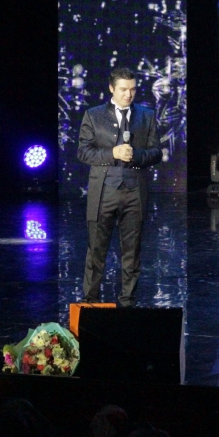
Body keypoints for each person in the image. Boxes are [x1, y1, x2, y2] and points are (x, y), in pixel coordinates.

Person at [78, 67, 163, 307]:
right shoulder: (93, 115)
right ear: (111, 88)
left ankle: (127, 301)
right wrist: (112, 153)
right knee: (96, 249)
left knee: (131, 251)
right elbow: (83, 152)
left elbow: (156, 152)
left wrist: (136, 155)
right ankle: (91, 301)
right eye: (123, 89)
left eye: (133, 89)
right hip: (104, 190)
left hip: (134, 190)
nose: (129, 94)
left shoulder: (146, 115)